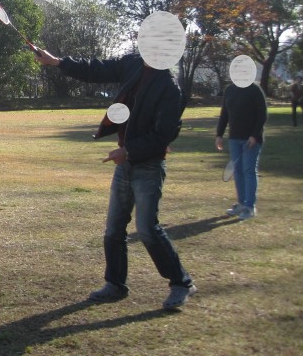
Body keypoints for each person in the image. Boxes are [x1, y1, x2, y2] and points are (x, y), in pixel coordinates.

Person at [34, 47, 196, 311]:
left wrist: (128, 151)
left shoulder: (169, 88)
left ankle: (182, 282)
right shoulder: (132, 64)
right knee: (114, 229)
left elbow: (163, 135)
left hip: (148, 166)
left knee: (147, 229)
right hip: (125, 166)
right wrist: (58, 62)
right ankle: (115, 284)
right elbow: (96, 69)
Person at [215, 56, 267, 220]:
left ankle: (249, 207)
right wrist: (219, 135)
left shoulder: (254, 90)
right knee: (238, 172)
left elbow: (262, 115)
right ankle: (241, 203)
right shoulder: (230, 90)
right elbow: (225, 114)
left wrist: (254, 135)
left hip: (251, 140)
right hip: (234, 138)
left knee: (248, 171)